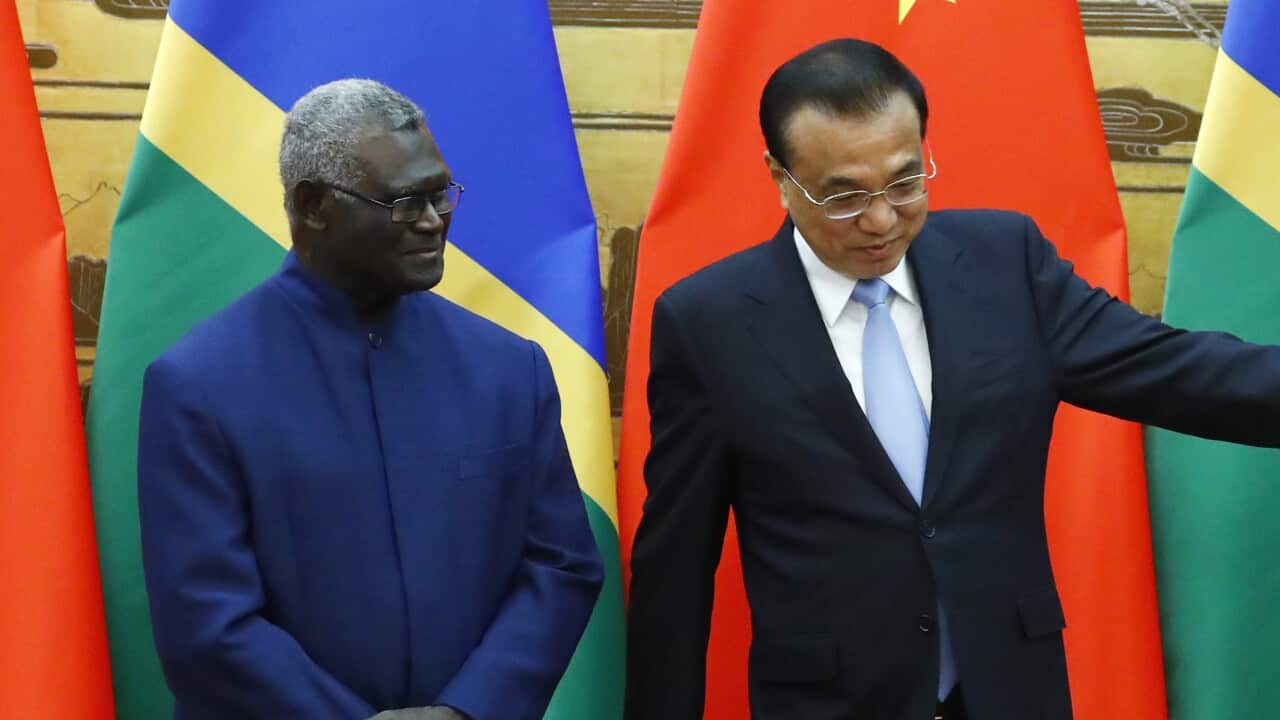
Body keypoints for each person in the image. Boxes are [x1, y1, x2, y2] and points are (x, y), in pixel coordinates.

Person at [624, 38, 1280, 720]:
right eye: (843, 196)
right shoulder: (710, 325)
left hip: (1008, 689)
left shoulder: (1005, 265)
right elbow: (674, 573)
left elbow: (1181, 372)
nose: (880, 221)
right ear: (781, 177)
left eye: (905, 183)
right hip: (832, 702)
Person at [138, 78, 603, 720]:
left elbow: (561, 565)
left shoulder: (508, 369)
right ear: (314, 206)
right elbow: (205, 626)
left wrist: (467, 710)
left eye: (440, 194)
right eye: (404, 202)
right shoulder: (197, 385)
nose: (434, 220)